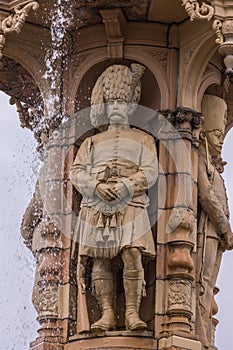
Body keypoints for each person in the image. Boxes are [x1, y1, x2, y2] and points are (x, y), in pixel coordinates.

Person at [70, 63, 158, 332]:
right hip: (97, 206)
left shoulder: (143, 139)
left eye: (122, 102)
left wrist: (128, 185)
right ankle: (107, 313)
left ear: (131, 105)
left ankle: (132, 313)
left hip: (131, 203)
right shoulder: (91, 143)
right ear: (105, 106)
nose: (117, 107)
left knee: (132, 254)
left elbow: (151, 170)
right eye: (112, 102)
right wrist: (95, 186)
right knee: (101, 259)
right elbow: (76, 172)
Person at [197, 94, 233, 348]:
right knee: (199, 283)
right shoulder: (199, 158)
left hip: (216, 237)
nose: (220, 139)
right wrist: (223, 224)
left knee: (209, 287)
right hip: (204, 232)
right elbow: (205, 195)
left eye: (222, 134)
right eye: (215, 133)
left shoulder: (214, 167)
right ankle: (198, 335)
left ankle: (205, 336)